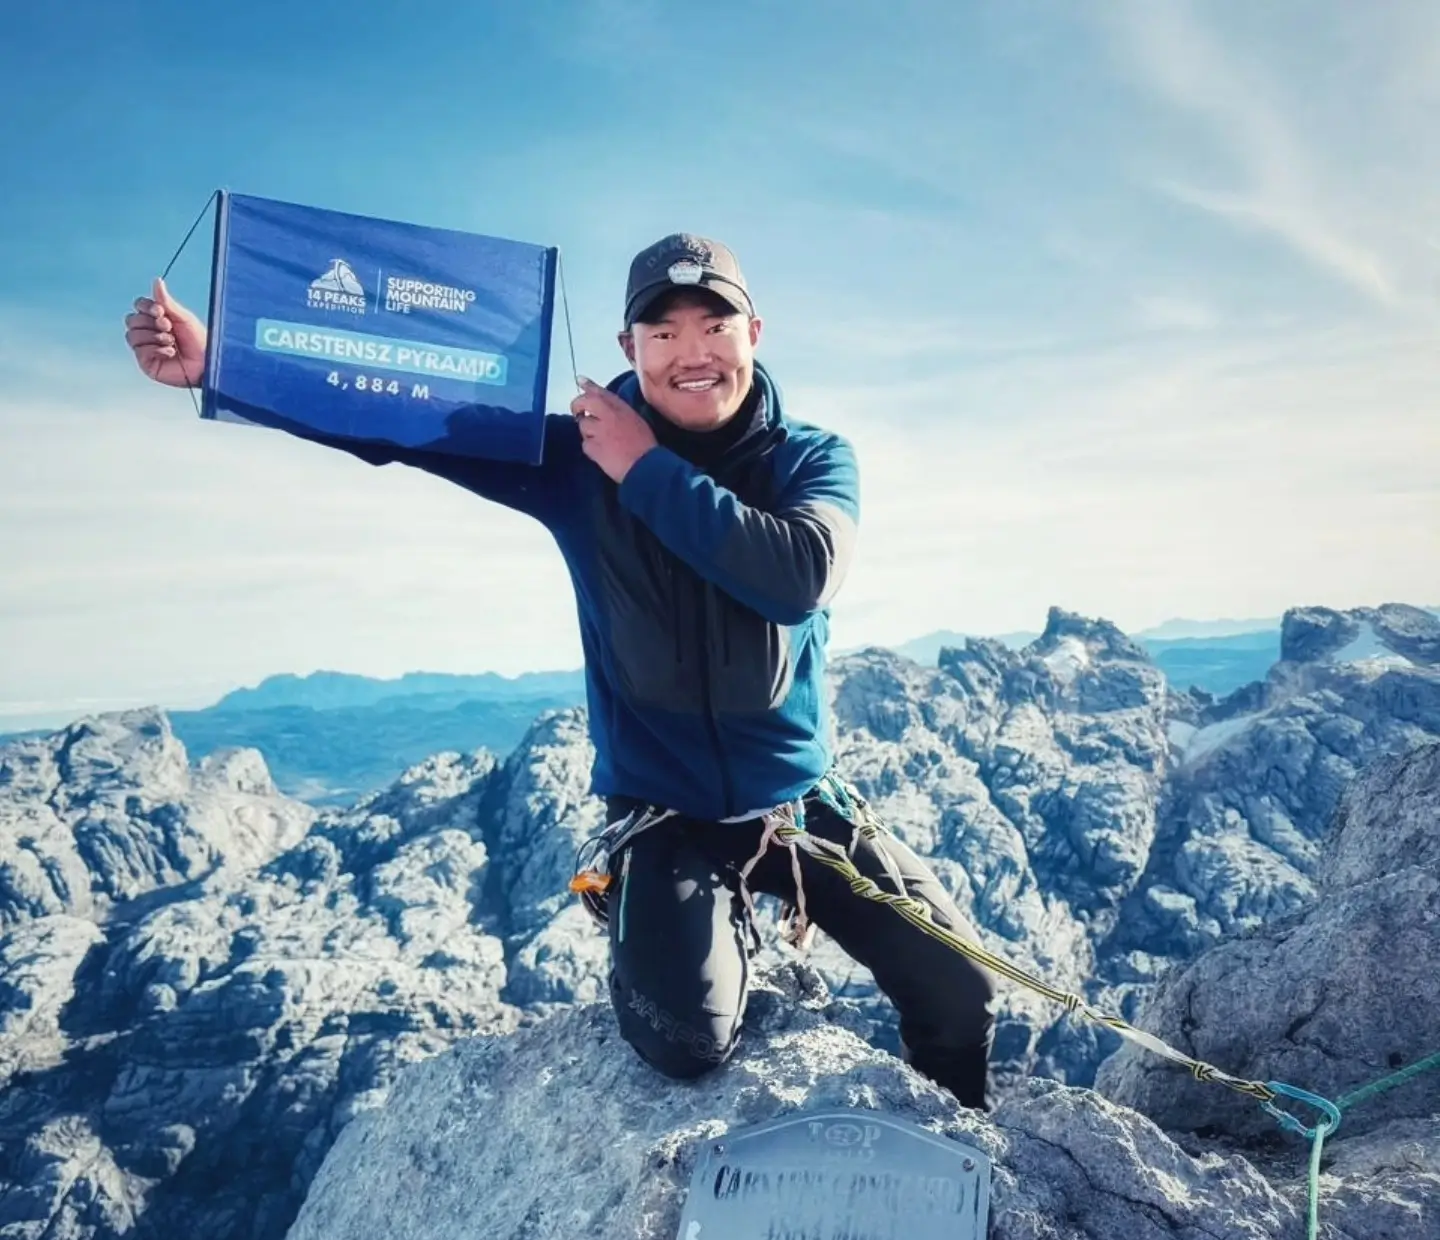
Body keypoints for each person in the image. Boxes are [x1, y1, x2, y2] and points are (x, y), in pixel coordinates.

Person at [124, 233, 997, 1108]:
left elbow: (798, 578)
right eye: (662, 333)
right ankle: (677, 912)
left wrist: (642, 468)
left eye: (713, 325)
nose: (691, 352)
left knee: (964, 991)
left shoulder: (810, 459)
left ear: (754, 332)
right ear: (629, 349)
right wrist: (223, 365)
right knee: (683, 1041)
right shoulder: (572, 464)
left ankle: (960, 1156)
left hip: (796, 807)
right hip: (668, 818)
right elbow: (396, 420)